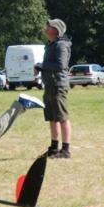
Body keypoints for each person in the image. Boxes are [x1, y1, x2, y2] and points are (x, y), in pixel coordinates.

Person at [40, 18, 73, 159]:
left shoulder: (61, 45)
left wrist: (41, 66)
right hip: (50, 85)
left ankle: (65, 150)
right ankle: (54, 148)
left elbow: (61, 65)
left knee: (62, 117)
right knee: (52, 118)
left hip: (58, 85)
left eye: (49, 26)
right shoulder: (51, 44)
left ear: (55, 30)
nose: (46, 28)